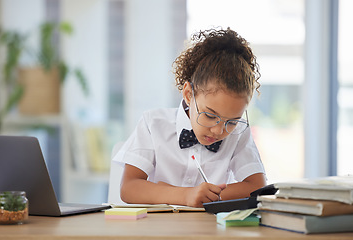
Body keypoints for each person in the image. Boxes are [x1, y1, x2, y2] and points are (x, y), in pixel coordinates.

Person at [113, 27, 266, 208]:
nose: (218, 130)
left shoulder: (239, 134)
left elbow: (257, 187)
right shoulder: (152, 124)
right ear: (188, 94)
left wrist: (210, 196)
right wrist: (186, 195)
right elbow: (129, 188)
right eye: (210, 115)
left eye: (231, 121)